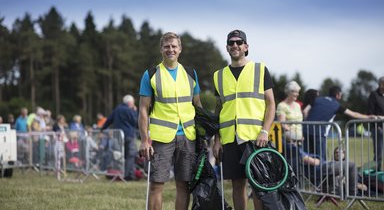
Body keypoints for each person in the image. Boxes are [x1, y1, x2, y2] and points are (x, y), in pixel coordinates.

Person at [212, 29, 276, 210]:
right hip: (230, 137)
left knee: (257, 184)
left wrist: (265, 131)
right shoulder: (219, 75)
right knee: (237, 184)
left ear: (246, 46)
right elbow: (219, 110)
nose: (235, 46)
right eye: (231, 43)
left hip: (255, 137)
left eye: (239, 42)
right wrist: (217, 140)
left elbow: (271, 104)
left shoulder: (260, 69)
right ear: (226, 47)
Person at [138, 32, 202, 210]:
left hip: (188, 137)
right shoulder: (150, 74)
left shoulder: (190, 73)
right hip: (161, 138)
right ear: (161, 49)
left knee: (184, 185)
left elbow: (198, 105)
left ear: (180, 49)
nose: (170, 49)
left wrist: (203, 136)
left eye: (174, 46)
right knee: (157, 185)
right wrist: (144, 140)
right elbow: (143, 109)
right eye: (167, 46)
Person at [304, 86, 375, 161]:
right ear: (338, 95)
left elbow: (305, 111)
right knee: (321, 158)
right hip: (319, 133)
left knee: (306, 157)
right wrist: (369, 117)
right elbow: (354, 114)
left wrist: (306, 124)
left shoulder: (317, 99)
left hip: (305, 130)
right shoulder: (336, 105)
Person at [284, 132, 361, 196]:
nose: (300, 143)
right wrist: (319, 160)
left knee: (346, 166)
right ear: (293, 140)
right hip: (322, 169)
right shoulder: (293, 149)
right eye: (297, 141)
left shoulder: (289, 149)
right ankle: (352, 195)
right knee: (351, 166)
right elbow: (314, 162)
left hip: (322, 167)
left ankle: (346, 191)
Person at [102, 94, 139, 181]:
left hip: (118, 136)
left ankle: (119, 173)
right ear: (130, 103)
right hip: (129, 135)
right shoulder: (129, 110)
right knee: (130, 155)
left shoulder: (117, 109)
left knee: (120, 155)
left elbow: (109, 120)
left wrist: (102, 129)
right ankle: (127, 175)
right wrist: (135, 111)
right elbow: (135, 122)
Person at [367, 76, 384, 171]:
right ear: (381, 84)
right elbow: (370, 112)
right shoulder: (374, 95)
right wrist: (377, 126)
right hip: (379, 128)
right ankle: (377, 174)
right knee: (379, 153)